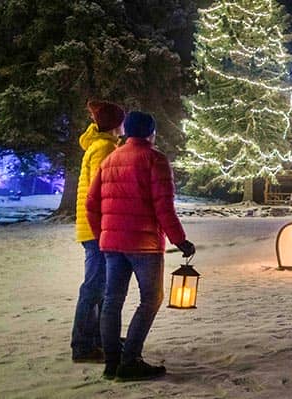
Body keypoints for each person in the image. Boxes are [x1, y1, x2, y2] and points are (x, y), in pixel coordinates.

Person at [86, 111, 195, 381]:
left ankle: (112, 363)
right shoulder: (154, 160)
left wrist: (103, 234)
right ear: (150, 133)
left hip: (112, 245)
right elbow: (164, 208)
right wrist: (180, 240)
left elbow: (91, 203)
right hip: (143, 244)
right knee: (151, 299)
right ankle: (130, 359)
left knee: (112, 301)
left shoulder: (110, 159)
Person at [71, 100, 125, 363]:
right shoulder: (104, 148)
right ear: (115, 124)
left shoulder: (101, 145)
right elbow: (101, 191)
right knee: (94, 287)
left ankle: (102, 337)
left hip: (93, 227)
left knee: (101, 286)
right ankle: (82, 345)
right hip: (97, 229)